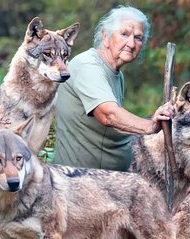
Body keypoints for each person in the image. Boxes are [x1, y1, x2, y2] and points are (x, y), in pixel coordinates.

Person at [54, 5, 173, 171]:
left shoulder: (115, 72)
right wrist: (150, 126)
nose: (131, 44)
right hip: (81, 183)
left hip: (108, 181)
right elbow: (109, 115)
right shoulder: (87, 66)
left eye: (138, 38)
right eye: (124, 34)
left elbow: (116, 125)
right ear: (105, 36)